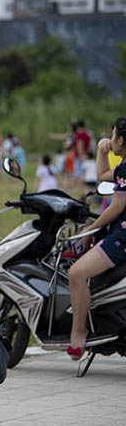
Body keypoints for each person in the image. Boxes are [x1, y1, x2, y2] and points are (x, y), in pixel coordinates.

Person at [67, 118, 126, 360]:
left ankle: (78, 331)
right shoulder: (122, 167)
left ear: (121, 140)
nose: (110, 140)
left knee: (76, 273)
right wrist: (103, 151)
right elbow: (102, 175)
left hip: (122, 237)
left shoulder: (125, 169)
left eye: (112, 137)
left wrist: (90, 229)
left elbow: (117, 206)